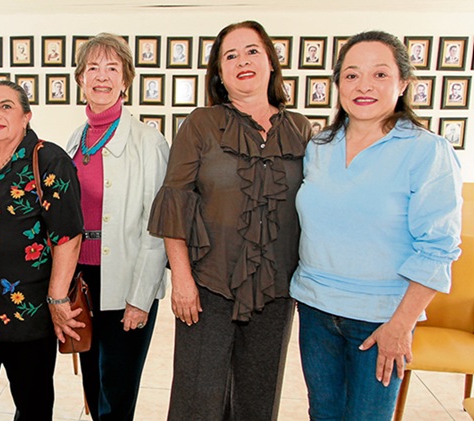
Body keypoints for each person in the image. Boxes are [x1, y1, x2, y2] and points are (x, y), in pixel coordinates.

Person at [292, 30, 462, 421]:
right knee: (322, 414)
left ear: (403, 83)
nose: (363, 85)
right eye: (351, 75)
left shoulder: (426, 151)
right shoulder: (319, 147)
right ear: (337, 84)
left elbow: (438, 248)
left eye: (380, 75)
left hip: (381, 320)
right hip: (316, 311)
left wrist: (401, 326)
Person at [148, 21, 312, 420]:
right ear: (219, 74)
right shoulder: (200, 125)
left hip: (275, 290)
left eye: (252, 51)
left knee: (258, 399)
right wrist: (182, 280)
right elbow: (176, 202)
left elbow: (313, 211)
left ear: (271, 61)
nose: (243, 62)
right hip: (208, 287)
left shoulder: (301, 129)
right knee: (196, 399)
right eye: (230, 55)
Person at [0, 80, 84, 420]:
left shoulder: (48, 158)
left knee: (31, 405)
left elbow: (68, 235)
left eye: (5, 106)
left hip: (28, 313)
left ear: (26, 116)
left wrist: (58, 299)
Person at [66, 32, 169, 421]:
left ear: (126, 79)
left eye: (112, 68)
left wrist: (140, 298)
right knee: (92, 382)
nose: (102, 77)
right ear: (80, 79)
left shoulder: (149, 142)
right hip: (85, 279)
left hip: (127, 278)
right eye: (92, 68)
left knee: (118, 387)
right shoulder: (76, 140)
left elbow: (156, 227)